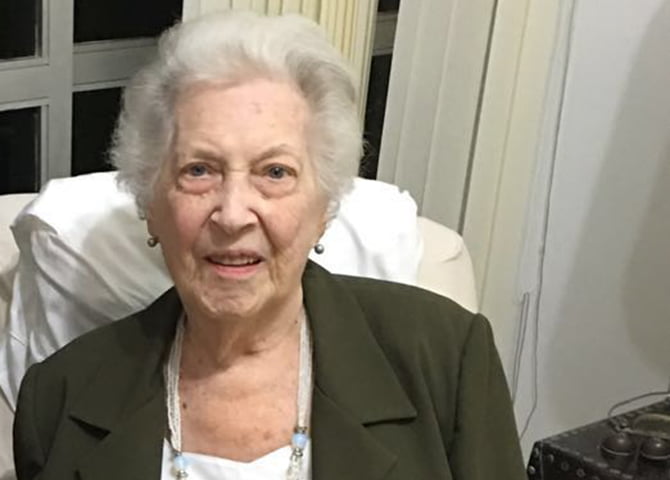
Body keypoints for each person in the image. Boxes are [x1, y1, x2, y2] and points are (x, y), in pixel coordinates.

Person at [13, 11, 525, 480]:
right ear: (151, 202)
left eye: (274, 172)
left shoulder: (445, 359)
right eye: (199, 170)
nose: (233, 214)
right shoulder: (57, 400)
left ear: (324, 207)